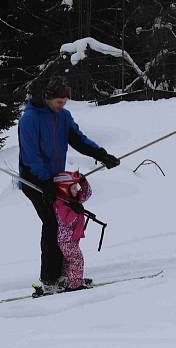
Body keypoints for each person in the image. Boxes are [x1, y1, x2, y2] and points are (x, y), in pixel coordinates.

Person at [18, 76, 120, 294]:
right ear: (47, 97)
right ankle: (49, 280)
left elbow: (78, 139)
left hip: (55, 180)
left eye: (64, 102)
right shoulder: (30, 118)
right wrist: (45, 182)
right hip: (34, 181)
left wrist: (101, 155)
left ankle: (66, 274)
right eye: (58, 102)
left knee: (62, 227)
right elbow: (30, 156)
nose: (61, 106)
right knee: (52, 225)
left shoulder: (63, 116)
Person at [52, 171, 93, 291]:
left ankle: (70, 279)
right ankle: (75, 284)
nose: (77, 190)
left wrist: (83, 181)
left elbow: (87, 193)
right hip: (66, 240)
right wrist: (75, 210)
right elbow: (66, 221)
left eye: (77, 187)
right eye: (74, 188)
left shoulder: (74, 199)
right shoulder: (60, 203)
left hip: (72, 238)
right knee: (76, 259)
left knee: (69, 261)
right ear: (64, 189)